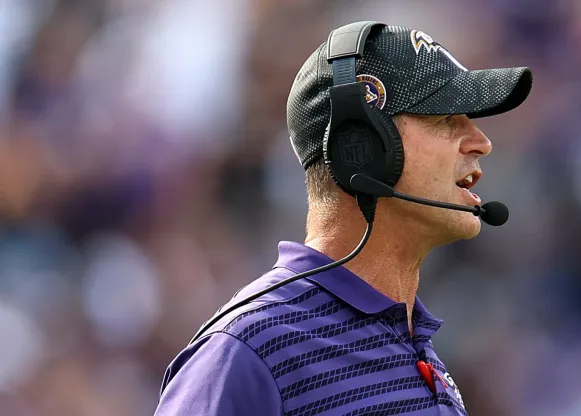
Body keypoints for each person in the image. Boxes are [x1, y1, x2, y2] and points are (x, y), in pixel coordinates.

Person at [154, 21, 532, 416]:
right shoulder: (249, 351)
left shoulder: (411, 343)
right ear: (363, 147)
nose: (481, 142)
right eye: (443, 119)